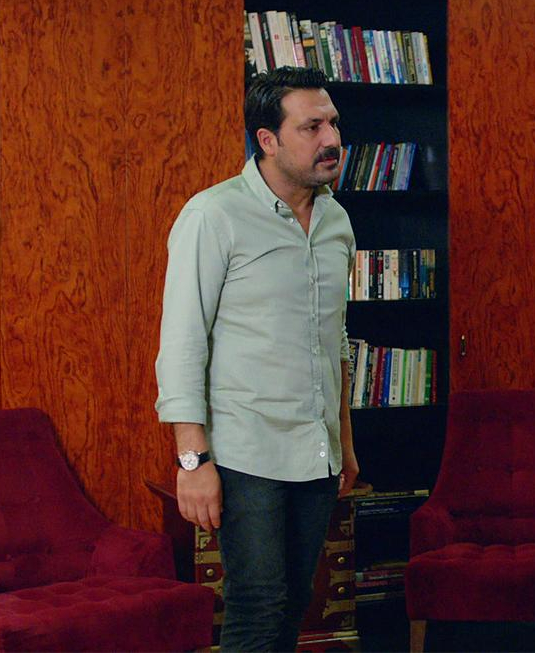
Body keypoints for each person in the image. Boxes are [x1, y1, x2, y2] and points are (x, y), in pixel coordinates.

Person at [155, 66, 359, 652]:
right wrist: (192, 461)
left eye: (333, 123)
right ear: (267, 140)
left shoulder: (337, 221)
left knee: (295, 603)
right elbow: (182, 343)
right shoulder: (212, 216)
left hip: (316, 453)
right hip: (245, 453)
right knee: (258, 602)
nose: (331, 139)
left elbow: (335, 342)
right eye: (312, 127)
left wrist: (344, 442)